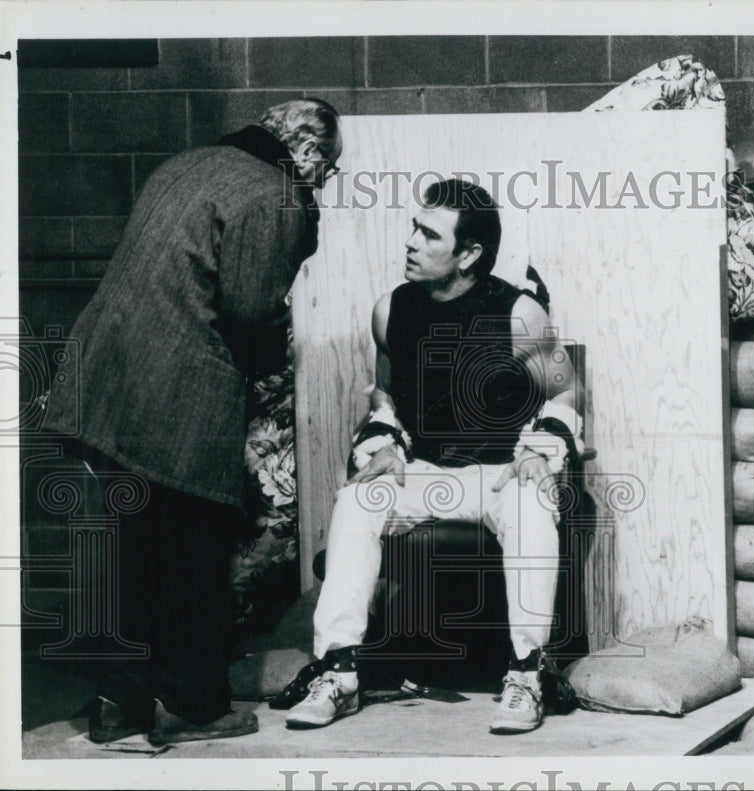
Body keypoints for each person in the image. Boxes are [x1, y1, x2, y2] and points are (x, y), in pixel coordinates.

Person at [41, 98, 342, 745]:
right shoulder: (275, 194)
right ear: (309, 152)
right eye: (330, 167)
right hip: (178, 387)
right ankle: (193, 706)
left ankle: (119, 705)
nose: (326, 181)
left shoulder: (188, 164)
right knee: (192, 550)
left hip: (104, 373)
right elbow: (248, 307)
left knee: (125, 549)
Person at [284, 178, 582, 735]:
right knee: (356, 500)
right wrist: (387, 442)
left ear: (468, 254)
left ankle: (526, 676)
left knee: (533, 505)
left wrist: (542, 449)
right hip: (424, 472)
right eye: (413, 229)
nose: (411, 243)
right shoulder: (390, 310)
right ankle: (338, 672)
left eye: (428, 234)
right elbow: (387, 395)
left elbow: (564, 392)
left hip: (498, 475)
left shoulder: (520, 314)